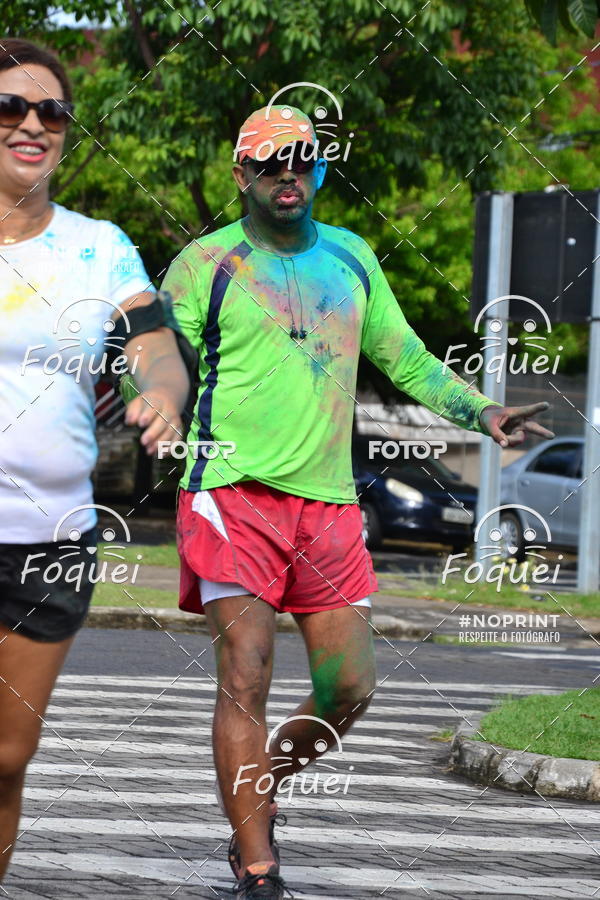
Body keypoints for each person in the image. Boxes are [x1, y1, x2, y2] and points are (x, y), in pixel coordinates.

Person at [162, 105, 553, 899]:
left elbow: (404, 357)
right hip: (229, 495)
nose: (288, 175)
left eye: (302, 161)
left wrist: (482, 410)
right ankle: (258, 863)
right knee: (247, 674)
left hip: (330, 508)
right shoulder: (203, 265)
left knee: (352, 687)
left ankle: (256, 789)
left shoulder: (352, 258)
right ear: (242, 176)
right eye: (271, 164)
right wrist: (153, 399)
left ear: (319, 172)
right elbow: (152, 357)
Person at [0, 39, 189, 880]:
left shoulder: (98, 246)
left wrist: (161, 393)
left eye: (52, 112)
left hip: (49, 536)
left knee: (6, 755)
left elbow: (151, 341)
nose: (31, 125)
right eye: (10, 108)